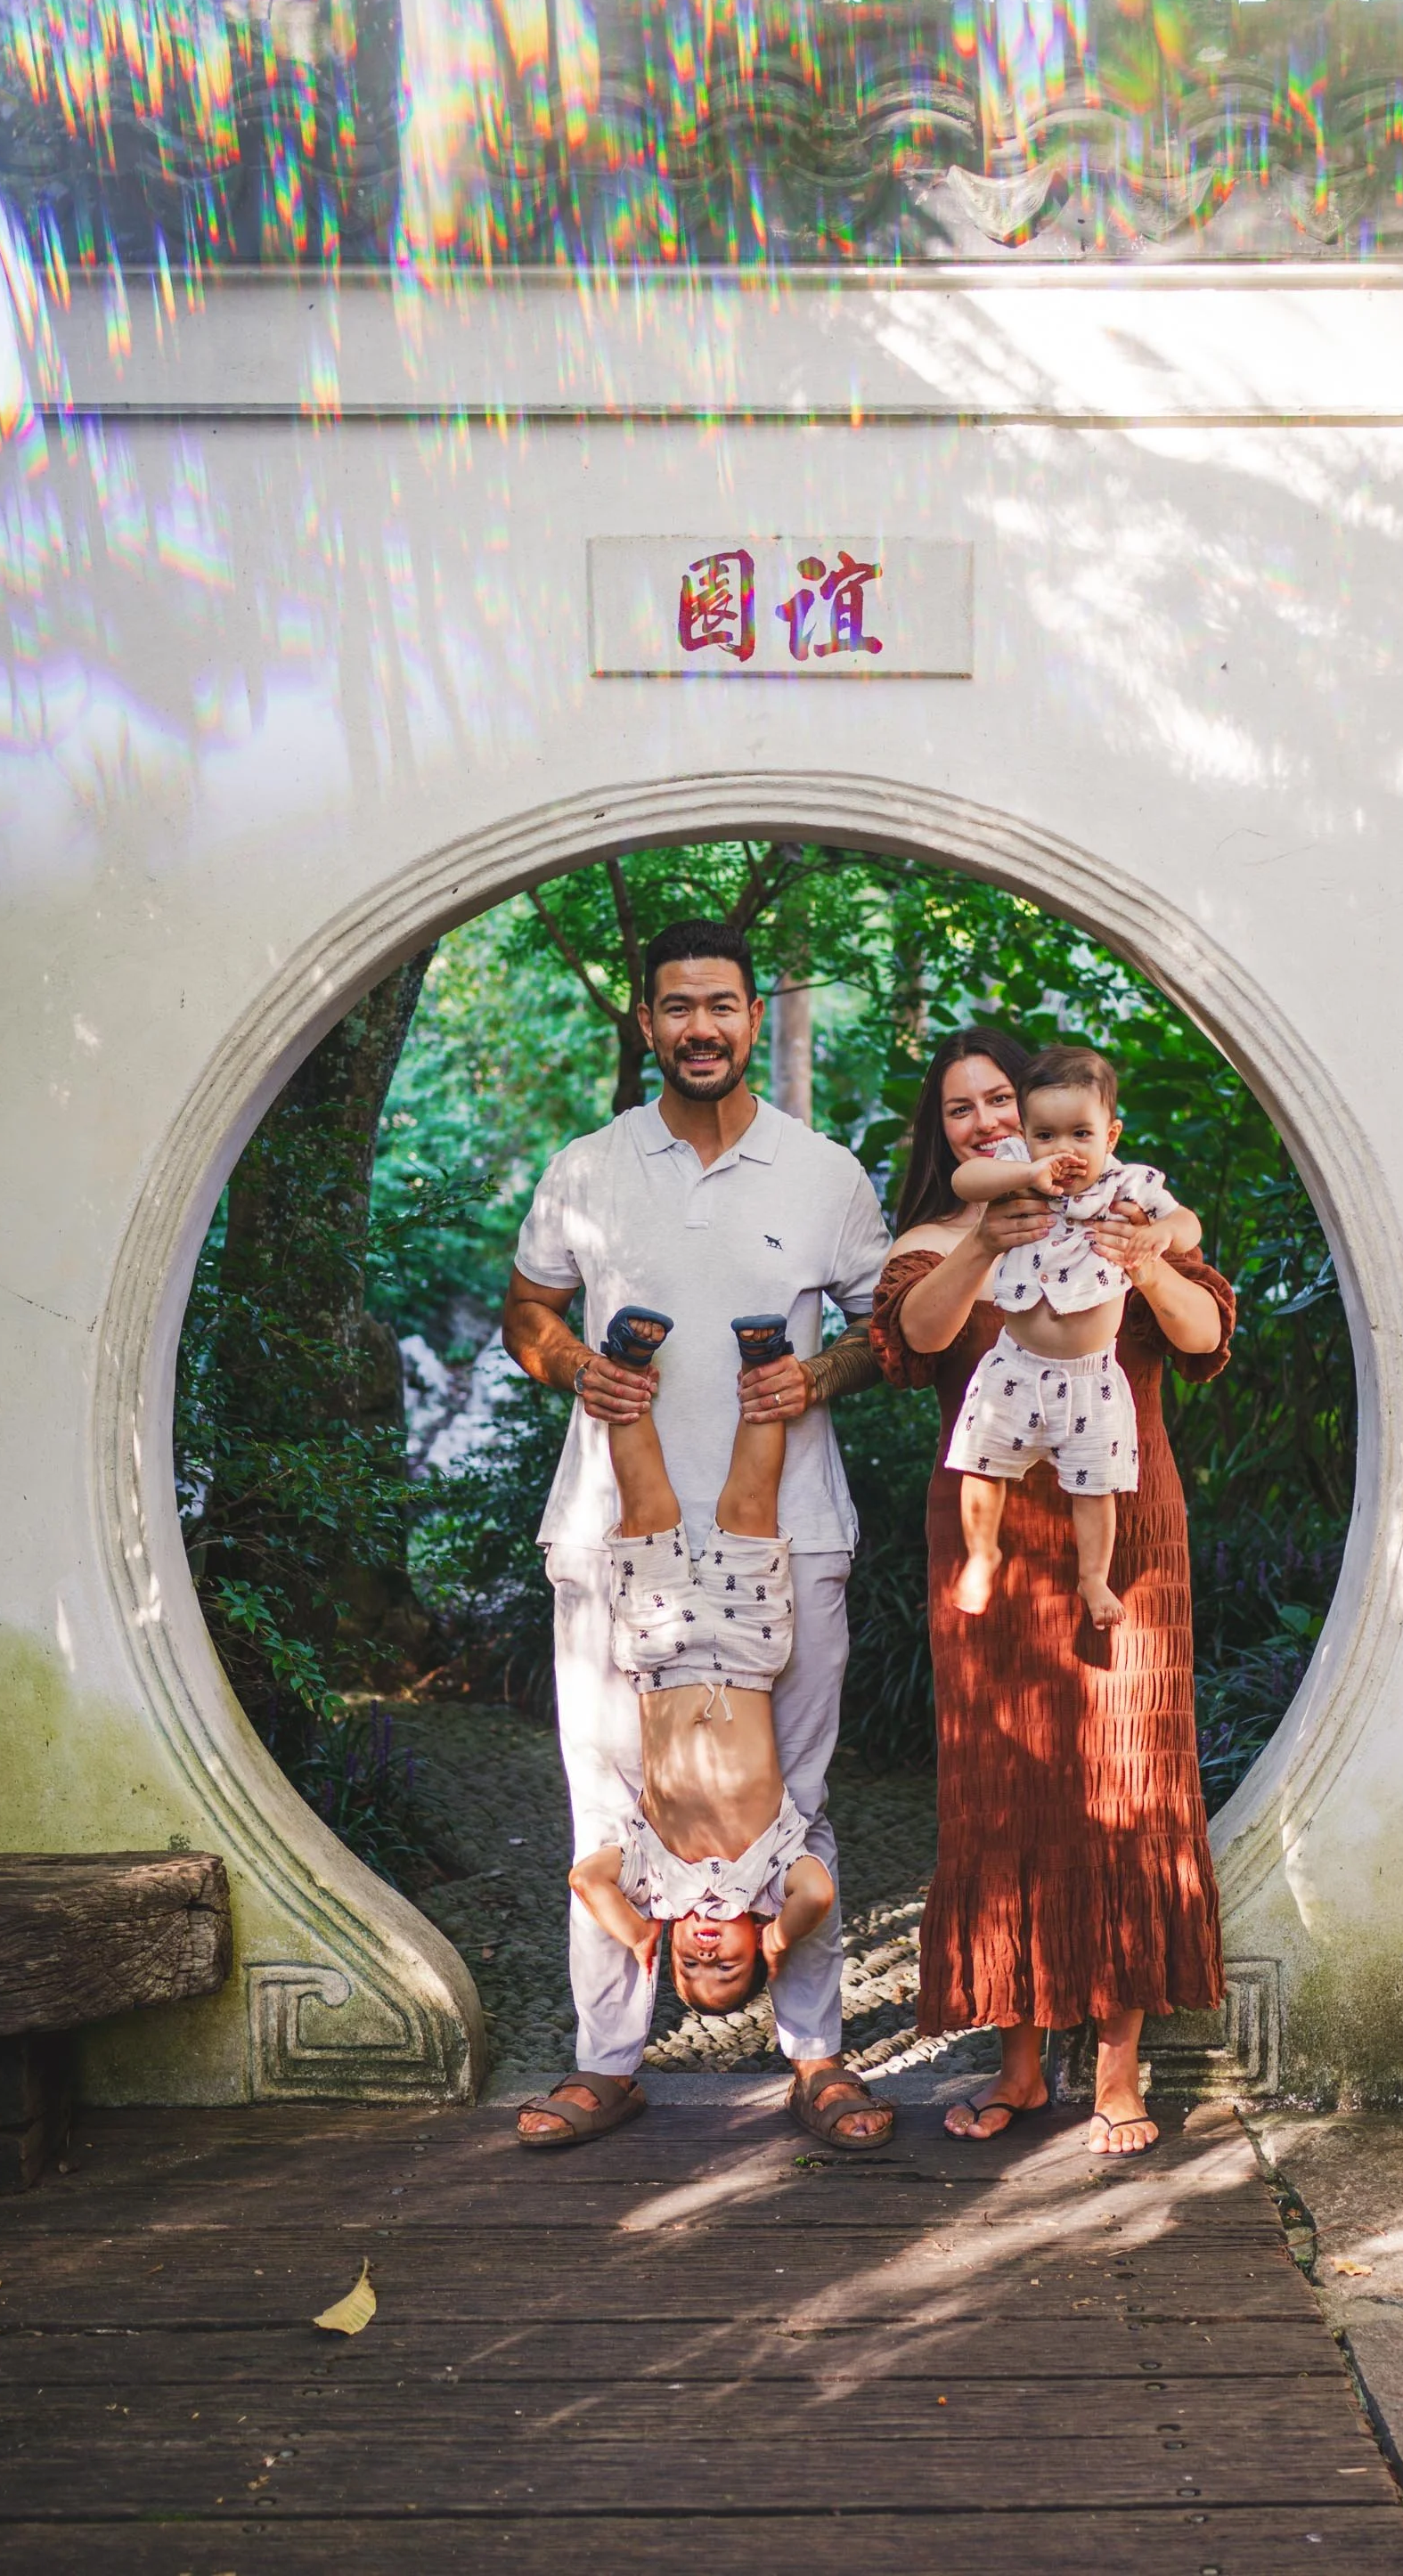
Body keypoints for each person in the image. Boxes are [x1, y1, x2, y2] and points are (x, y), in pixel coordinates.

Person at [502, 917, 894, 2153]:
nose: (703, 1028)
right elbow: (530, 1311)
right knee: (603, 1808)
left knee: (805, 1803)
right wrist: (573, 1367)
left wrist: (821, 1373)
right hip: (604, 1532)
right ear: (647, 1022)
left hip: (798, 1536)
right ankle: (608, 2062)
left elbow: (895, 1329)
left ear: (749, 1014)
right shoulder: (587, 1166)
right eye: (677, 1007)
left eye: (722, 1005)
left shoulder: (823, 1172)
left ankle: (817, 2058)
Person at [869, 1026, 1233, 2155]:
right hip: (985, 1545)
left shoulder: (1125, 1211)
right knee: (1001, 1793)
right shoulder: (935, 1238)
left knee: (1129, 1782)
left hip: (1123, 1536)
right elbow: (917, 1341)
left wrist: (1150, 1258)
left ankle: (1115, 2069)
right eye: (964, 1110)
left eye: (999, 1101)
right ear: (953, 1136)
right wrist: (984, 1236)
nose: (984, 1122)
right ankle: (1018, 2067)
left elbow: (1203, 1331)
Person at [566, 1309, 836, 2020]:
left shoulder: (653, 1883)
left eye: (692, 1962)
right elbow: (821, 1895)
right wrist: (780, 1937)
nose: (707, 1946)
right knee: (751, 1506)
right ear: (754, 1943)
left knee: (645, 1507)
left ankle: (624, 1366)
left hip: (660, 1657)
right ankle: (765, 1363)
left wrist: (638, 1937)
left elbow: (587, 1878)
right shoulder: (775, 1880)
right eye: (730, 1961)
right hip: (747, 1655)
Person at [944, 1044, 1201, 1624]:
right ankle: (982, 1555)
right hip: (1014, 1366)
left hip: (1090, 1379)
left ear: (1111, 1136)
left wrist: (1162, 1237)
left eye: (1080, 1135)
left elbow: (1187, 1223)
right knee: (981, 1464)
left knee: (1095, 1487)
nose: (1063, 1151)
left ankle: (1093, 1579)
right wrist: (1023, 1171)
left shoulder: (1128, 1185)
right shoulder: (1017, 1170)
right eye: (1046, 1135)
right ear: (1026, 1134)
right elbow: (966, 1178)